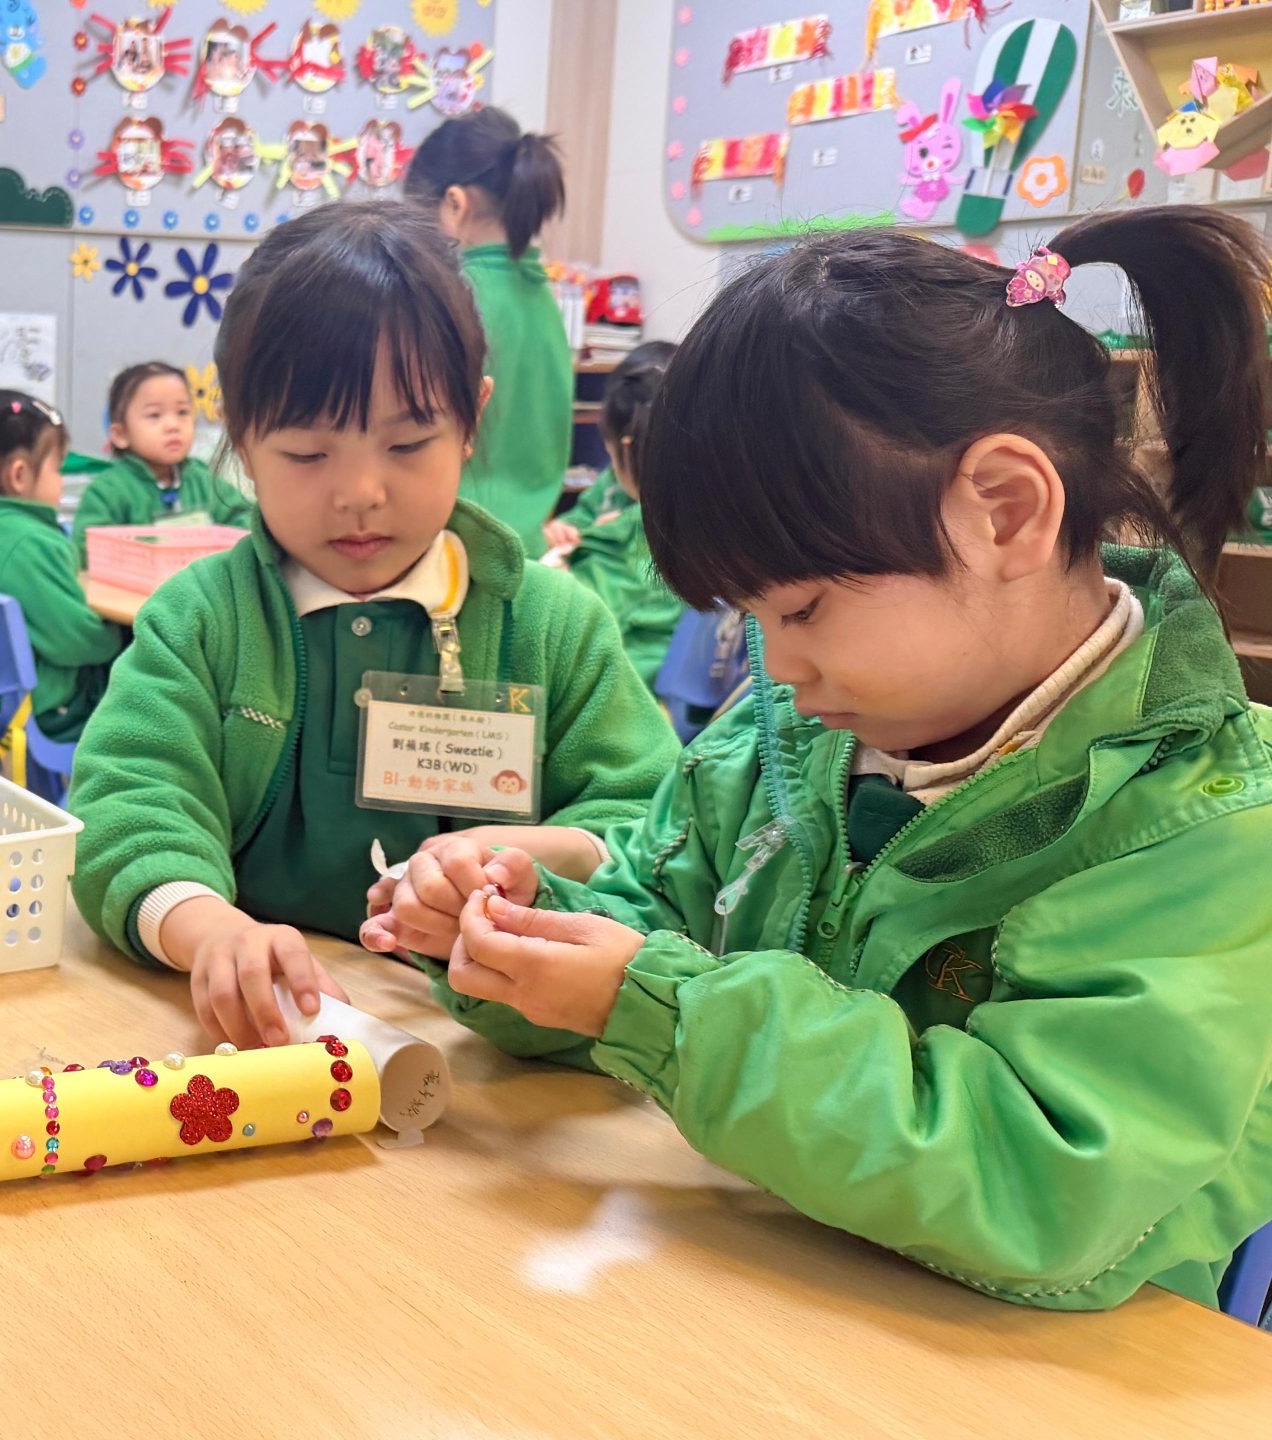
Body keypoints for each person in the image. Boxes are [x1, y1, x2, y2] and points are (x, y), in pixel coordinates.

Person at [386, 209, 1272, 1312]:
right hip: (772, 1300)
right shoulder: (799, 730)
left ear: (1005, 512)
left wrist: (655, 1009)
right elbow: (660, 914)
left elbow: (1043, 1179)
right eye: (751, 616)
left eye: (802, 609)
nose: (776, 662)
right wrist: (524, 940)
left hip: (1037, 1368)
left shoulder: (1205, 824)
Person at [68, 200, 676, 1050]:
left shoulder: (552, 625)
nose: (360, 493)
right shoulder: (202, 620)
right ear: (239, 440)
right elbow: (127, 804)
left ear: (472, 422)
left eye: (408, 443)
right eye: (308, 454)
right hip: (266, 1037)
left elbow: (656, 826)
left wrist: (532, 858)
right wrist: (211, 931)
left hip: (491, 1048)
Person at [406, 107, 573, 546]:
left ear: (455, 205)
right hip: (530, 545)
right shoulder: (543, 293)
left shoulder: (450, 297)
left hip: (455, 544)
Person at [0, 390, 123, 743]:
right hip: (48, 711)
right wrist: (122, 631)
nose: (61, 480)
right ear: (19, 475)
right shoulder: (30, 543)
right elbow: (80, 643)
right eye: (57, 469)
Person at [545, 341, 683, 687]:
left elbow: (579, 626)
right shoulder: (614, 484)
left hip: (635, 680)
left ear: (623, 442)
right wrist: (566, 529)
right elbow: (584, 514)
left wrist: (604, 542)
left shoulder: (652, 538)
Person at [72, 361, 255, 561]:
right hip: (134, 580)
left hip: (199, 578)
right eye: (154, 415)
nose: (173, 425)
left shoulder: (202, 480)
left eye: (182, 412)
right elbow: (87, 547)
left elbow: (245, 518)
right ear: (120, 434)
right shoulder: (107, 491)